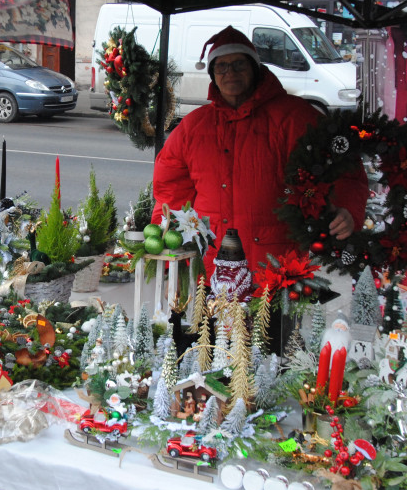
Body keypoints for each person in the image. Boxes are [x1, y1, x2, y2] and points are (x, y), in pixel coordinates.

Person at [153, 26, 366, 343]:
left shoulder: (295, 117)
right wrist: (165, 235)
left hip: (276, 271)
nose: (230, 73)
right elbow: (171, 189)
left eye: (239, 64)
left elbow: (341, 166)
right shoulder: (194, 126)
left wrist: (347, 208)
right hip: (214, 271)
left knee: (275, 355)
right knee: (213, 354)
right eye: (222, 66)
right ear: (213, 75)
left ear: (255, 68)